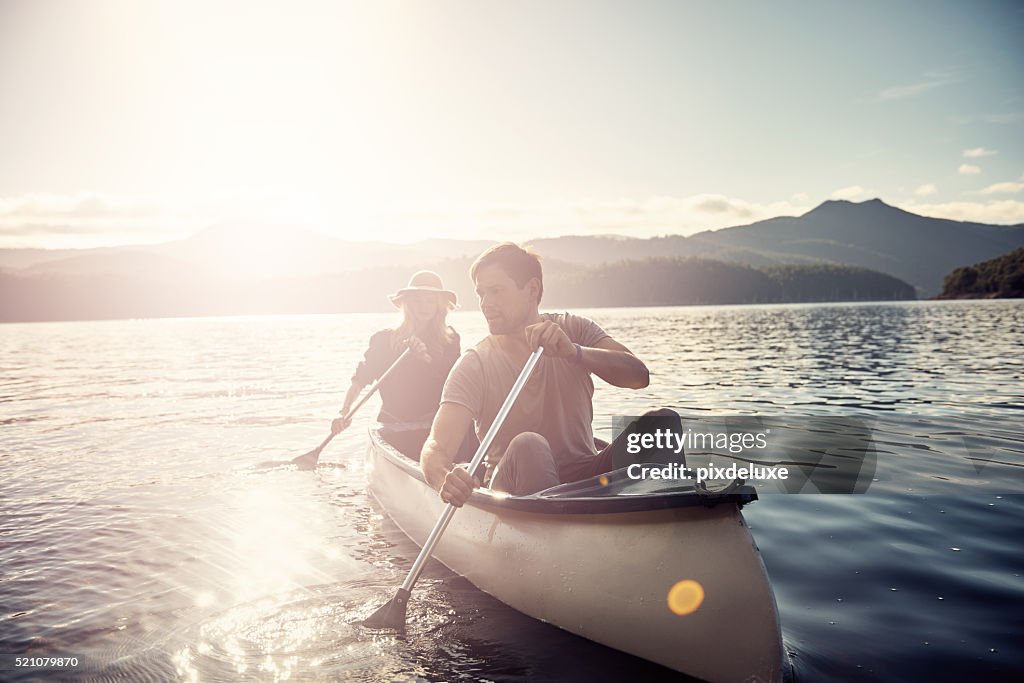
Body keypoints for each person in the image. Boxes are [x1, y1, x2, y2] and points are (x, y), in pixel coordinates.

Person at [420, 243, 681, 507]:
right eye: (481, 293)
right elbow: (435, 450)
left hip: (584, 476)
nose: (485, 304)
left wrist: (574, 352)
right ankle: (556, 536)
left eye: (496, 291)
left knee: (662, 425)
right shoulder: (474, 364)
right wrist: (445, 480)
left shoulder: (573, 328)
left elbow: (638, 376)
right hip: (512, 486)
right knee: (529, 445)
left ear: (532, 289)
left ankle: (673, 522)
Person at [331, 270, 461, 434]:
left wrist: (424, 359)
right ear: (408, 303)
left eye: (430, 301)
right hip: (394, 424)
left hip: (435, 423)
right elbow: (360, 379)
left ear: (439, 306)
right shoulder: (383, 340)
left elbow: (453, 383)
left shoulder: (450, 340)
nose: (424, 307)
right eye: (418, 300)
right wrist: (343, 411)